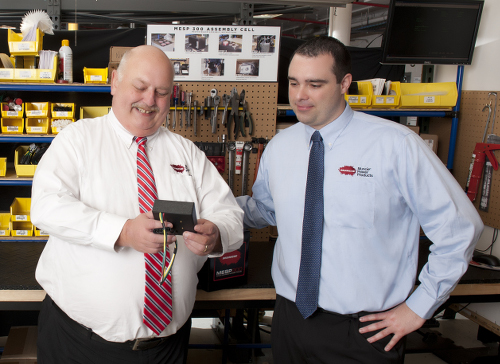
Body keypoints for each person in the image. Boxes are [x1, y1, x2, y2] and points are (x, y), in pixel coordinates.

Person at [236, 36, 483, 363]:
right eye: (294, 82)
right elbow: (265, 210)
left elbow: (461, 228)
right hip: (290, 319)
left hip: (365, 331)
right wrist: (213, 208)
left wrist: (418, 306)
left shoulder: (396, 145)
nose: (300, 95)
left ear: (344, 84)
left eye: (315, 84)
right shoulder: (280, 147)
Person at [31, 45, 244, 364]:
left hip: (167, 349)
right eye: (140, 87)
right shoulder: (77, 140)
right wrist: (122, 232)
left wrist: (217, 235)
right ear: (115, 81)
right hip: (80, 345)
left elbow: (230, 216)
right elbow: (46, 206)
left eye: (161, 92)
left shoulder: (186, 153)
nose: (149, 100)